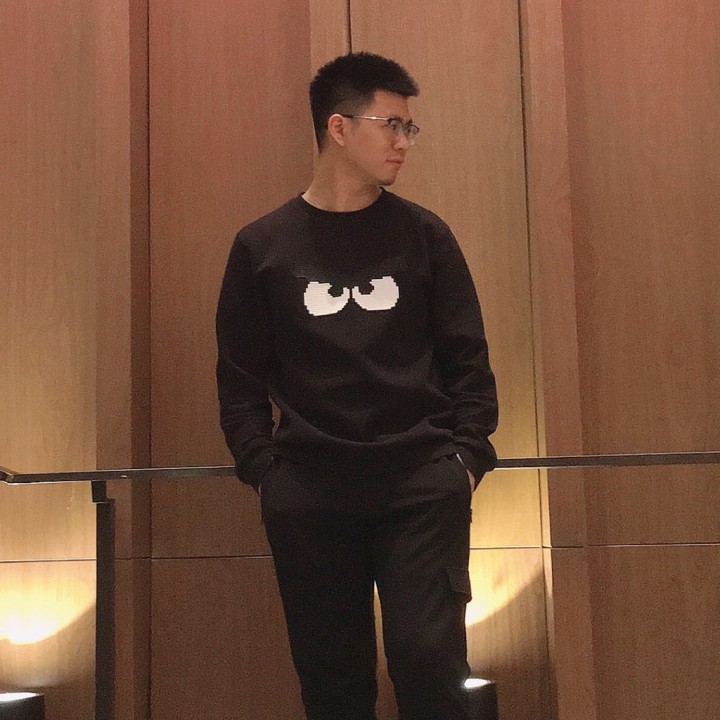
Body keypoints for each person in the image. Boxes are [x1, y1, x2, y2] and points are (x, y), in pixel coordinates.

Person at [216, 52, 498, 720]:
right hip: (309, 492)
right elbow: (239, 376)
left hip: (420, 484)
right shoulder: (263, 247)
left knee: (430, 663)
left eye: (408, 128)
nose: (403, 142)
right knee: (332, 681)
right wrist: (265, 471)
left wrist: (463, 460)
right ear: (338, 128)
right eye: (390, 124)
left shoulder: (425, 236)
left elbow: (468, 359)